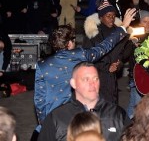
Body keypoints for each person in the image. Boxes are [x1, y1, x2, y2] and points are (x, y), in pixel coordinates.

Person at [33, 8, 136, 137]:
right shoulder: (80, 55)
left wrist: (44, 123)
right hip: (79, 117)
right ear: (70, 43)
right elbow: (104, 46)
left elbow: (39, 100)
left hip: (55, 120)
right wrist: (123, 27)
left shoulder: (42, 65)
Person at [38, 62, 131, 141]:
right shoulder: (57, 117)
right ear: (73, 83)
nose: (92, 84)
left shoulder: (117, 114)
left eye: (96, 79)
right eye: (86, 79)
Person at [83, 0, 133, 104]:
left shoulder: (117, 31)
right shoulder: (93, 34)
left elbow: (121, 54)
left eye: (113, 16)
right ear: (101, 17)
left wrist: (118, 64)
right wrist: (106, 67)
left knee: (112, 106)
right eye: (108, 16)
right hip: (97, 77)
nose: (111, 19)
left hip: (112, 79)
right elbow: (88, 58)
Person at [126, 10, 149, 118]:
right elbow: (126, 55)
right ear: (139, 22)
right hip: (136, 76)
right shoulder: (134, 33)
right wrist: (130, 40)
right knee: (135, 107)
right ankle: (126, 128)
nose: (147, 25)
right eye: (144, 21)